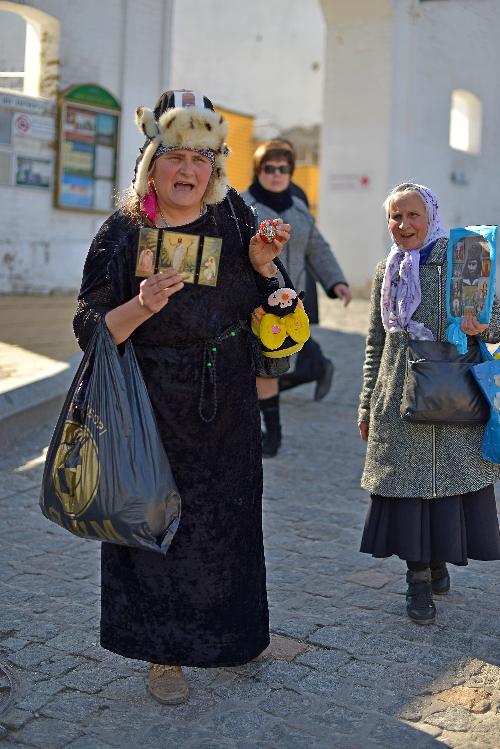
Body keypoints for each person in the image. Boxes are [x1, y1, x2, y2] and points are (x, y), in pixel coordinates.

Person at [73, 90, 291, 704]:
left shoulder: (234, 216)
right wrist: (139, 307)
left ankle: (233, 636)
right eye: (175, 157)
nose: (189, 171)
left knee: (227, 523)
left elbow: (273, 305)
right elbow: (88, 325)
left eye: (203, 157)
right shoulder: (123, 230)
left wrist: (265, 267)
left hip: (224, 401)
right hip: (146, 403)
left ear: (217, 165)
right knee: (151, 529)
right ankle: (161, 653)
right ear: (151, 163)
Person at [358, 182, 500, 625]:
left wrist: (481, 325)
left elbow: (495, 326)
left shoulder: (463, 258)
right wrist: (366, 403)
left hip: (450, 390)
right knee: (407, 490)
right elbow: (376, 343)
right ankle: (417, 577)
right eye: (395, 217)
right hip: (396, 394)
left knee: (442, 485)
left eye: (412, 215)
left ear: (431, 216)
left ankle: (436, 561)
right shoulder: (388, 270)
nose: (403, 225)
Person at [242, 139, 352, 458]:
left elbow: (318, 248)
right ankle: (259, 433)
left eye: (283, 169)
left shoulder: (299, 209)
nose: (276, 174)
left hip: (290, 305)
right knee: (258, 370)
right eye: (269, 168)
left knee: (272, 367)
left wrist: (337, 282)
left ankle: (272, 436)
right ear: (258, 170)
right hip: (253, 303)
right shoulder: (242, 205)